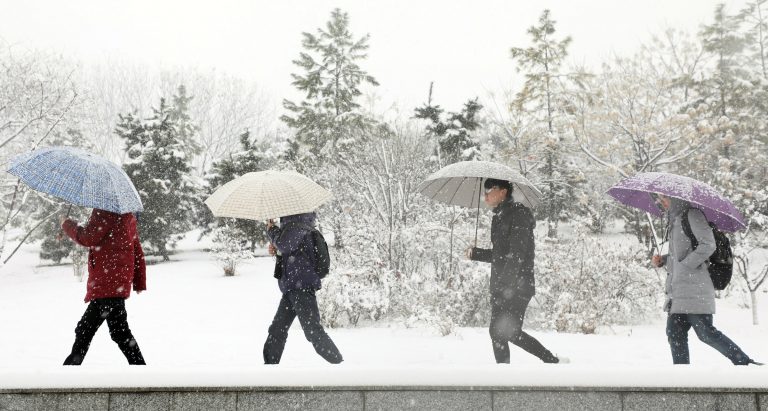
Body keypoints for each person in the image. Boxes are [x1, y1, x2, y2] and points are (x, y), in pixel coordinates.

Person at [651, 193, 761, 366]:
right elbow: (680, 255)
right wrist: (663, 260)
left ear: (676, 198)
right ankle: (682, 376)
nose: (661, 201)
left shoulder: (692, 215)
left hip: (696, 288)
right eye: (659, 198)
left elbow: (708, 244)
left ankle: (744, 362)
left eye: (664, 197)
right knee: (674, 334)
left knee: (706, 334)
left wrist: (687, 265)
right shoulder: (674, 220)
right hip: (678, 291)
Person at [465, 179, 562, 364]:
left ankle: (548, 361)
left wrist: (506, 284)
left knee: (505, 332)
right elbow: (501, 255)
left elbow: (517, 254)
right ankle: (509, 373)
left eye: (488, 190)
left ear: (502, 191)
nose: (484, 195)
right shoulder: (499, 216)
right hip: (503, 285)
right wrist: (475, 253)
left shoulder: (519, 214)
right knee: (500, 333)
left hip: (517, 286)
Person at [60, 208, 146, 365]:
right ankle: (141, 370)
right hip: (114, 283)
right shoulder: (127, 214)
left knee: (99, 331)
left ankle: (68, 374)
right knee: (100, 331)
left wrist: (67, 224)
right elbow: (136, 248)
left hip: (107, 282)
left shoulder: (104, 211)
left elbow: (87, 237)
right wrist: (138, 281)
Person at [263, 212, 342, 364]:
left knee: (312, 331)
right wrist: (277, 251)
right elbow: (289, 252)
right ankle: (269, 371)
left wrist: (271, 230)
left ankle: (338, 365)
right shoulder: (292, 226)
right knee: (277, 330)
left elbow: (285, 245)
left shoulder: (298, 223)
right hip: (292, 287)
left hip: (301, 287)